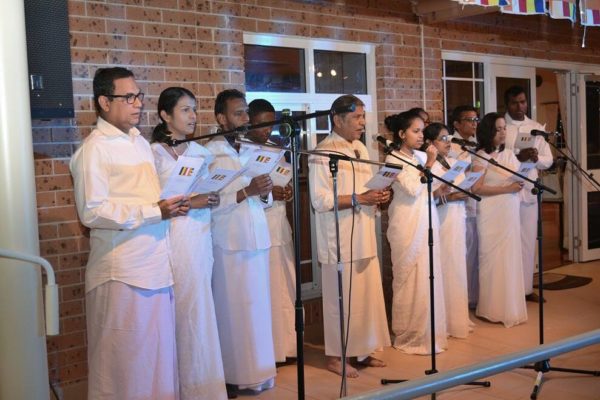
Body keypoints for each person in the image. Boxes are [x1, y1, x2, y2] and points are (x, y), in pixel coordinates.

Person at [70, 67, 186, 399]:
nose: (138, 104)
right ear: (104, 102)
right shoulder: (95, 149)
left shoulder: (137, 142)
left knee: (157, 360)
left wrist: (170, 202)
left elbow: (140, 196)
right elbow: (92, 211)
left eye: (139, 96)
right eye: (129, 97)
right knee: (123, 364)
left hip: (155, 266)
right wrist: (154, 211)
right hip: (122, 273)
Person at [150, 87, 227, 400]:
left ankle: (202, 388)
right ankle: (174, 388)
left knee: (198, 312)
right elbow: (150, 199)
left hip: (197, 237)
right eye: (185, 110)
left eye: (195, 109)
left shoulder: (201, 152)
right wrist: (188, 201)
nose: (193, 116)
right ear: (165, 115)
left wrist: (210, 196)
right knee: (174, 313)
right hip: (166, 236)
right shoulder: (152, 153)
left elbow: (211, 192)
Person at [309, 94, 390, 378]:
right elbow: (319, 200)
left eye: (363, 116)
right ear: (337, 119)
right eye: (357, 117)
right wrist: (359, 198)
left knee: (365, 298)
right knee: (339, 300)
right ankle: (335, 356)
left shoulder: (361, 148)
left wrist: (378, 195)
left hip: (364, 233)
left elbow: (367, 186)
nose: (362, 123)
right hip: (339, 238)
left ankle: (362, 351)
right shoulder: (323, 151)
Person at [206, 89, 276, 395]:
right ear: (221, 118)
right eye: (238, 113)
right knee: (234, 311)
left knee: (258, 307)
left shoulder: (250, 148)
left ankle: (260, 372)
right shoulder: (210, 152)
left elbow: (266, 200)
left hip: (256, 234)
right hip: (229, 240)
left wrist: (263, 189)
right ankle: (234, 375)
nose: (245, 119)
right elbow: (208, 201)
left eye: (246, 113)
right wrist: (245, 191)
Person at [384, 111, 447, 354]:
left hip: (426, 218)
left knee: (428, 275)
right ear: (402, 134)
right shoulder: (392, 159)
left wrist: (438, 161)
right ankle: (408, 334)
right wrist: (430, 163)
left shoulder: (421, 155)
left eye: (422, 130)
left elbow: (438, 183)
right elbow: (412, 188)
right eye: (416, 131)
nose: (422, 136)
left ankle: (429, 333)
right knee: (409, 278)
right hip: (406, 223)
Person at [247, 98, 297, 364]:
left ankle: (287, 347)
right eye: (262, 124)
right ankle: (268, 352)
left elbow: (283, 178)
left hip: (279, 225)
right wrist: (269, 194)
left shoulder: (276, 148)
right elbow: (241, 191)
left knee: (284, 288)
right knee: (266, 289)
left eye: (271, 124)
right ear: (249, 121)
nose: (267, 130)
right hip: (258, 226)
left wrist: (285, 192)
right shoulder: (242, 150)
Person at [471, 112, 528, 328]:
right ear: (488, 131)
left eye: (505, 128)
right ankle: (491, 308)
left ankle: (510, 306)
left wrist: (518, 182)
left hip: (509, 211)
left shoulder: (509, 154)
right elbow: (476, 188)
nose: (504, 132)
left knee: (510, 258)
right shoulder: (481, 156)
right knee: (493, 260)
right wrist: (507, 189)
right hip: (491, 212)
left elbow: (516, 177)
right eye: (499, 128)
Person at [503, 86, 553, 303]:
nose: (520, 106)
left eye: (523, 102)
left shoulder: (535, 127)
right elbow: (495, 155)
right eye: (515, 102)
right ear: (507, 104)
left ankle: (525, 289)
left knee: (527, 240)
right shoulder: (501, 126)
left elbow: (548, 159)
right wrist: (517, 155)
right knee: (508, 240)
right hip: (505, 190)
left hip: (529, 190)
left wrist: (535, 159)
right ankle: (508, 289)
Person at [424, 122, 472, 339]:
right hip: (442, 218)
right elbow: (428, 196)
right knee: (446, 266)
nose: (447, 142)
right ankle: (444, 320)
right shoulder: (430, 165)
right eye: (442, 139)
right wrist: (448, 196)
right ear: (430, 143)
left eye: (448, 138)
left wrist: (465, 190)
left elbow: (462, 185)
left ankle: (458, 319)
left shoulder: (454, 161)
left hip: (458, 217)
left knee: (458, 267)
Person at [450, 105, 480, 309]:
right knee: (464, 253)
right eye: (469, 120)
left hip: (477, 202)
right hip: (458, 203)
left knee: (476, 251)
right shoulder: (451, 145)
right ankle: (464, 298)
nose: (474, 124)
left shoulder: (477, 144)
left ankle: (475, 295)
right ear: (457, 124)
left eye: (476, 119)